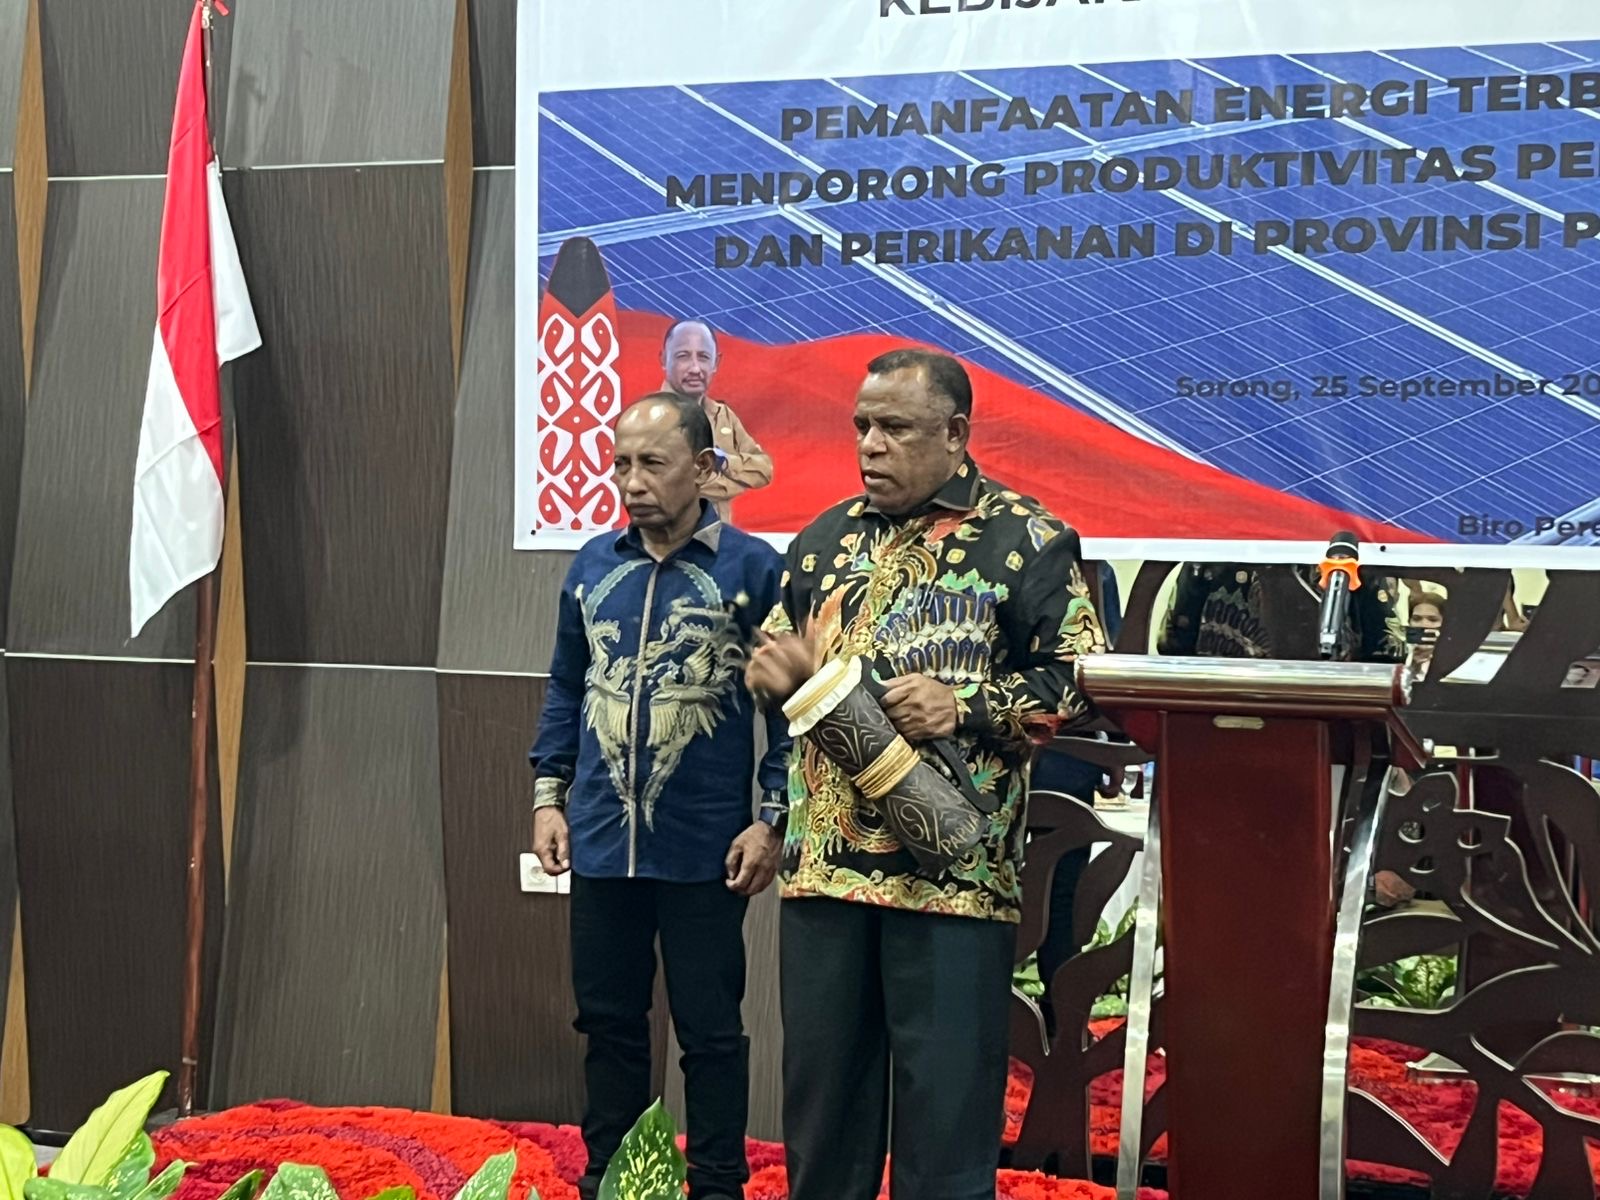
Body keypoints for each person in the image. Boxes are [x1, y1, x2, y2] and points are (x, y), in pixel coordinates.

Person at [744, 349, 1106, 1200]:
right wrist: (771, 702)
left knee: (945, 1135)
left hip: (951, 882)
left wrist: (966, 704)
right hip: (825, 875)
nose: (871, 445)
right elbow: (789, 692)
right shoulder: (821, 542)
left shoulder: (1028, 540)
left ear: (955, 433)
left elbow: (1083, 683)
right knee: (822, 1125)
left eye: (895, 428)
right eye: (862, 426)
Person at [527, 393, 791, 1200]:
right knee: (606, 1022)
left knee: (710, 1031)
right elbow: (566, 687)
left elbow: (787, 714)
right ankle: (608, 1178)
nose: (632, 483)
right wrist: (547, 796)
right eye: (621, 465)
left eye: (652, 464)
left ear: (703, 469)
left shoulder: (753, 571)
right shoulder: (592, 566)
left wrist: (772, 819)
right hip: (601, 838)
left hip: (705, 846)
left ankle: (717, 1183)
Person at [661, 319, 773, 524]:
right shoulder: (648, 417)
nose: (695, 368)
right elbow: (676, 484)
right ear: (663, 359)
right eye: (683, 356)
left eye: (703, 357)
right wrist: (737, 483)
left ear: (716, 363)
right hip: (669, 539)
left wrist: (723, 460)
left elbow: (764, 470)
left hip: (719, 539)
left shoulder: (723, 415)